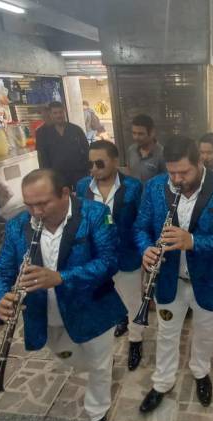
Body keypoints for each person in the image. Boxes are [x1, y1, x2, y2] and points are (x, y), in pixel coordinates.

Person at [0, 169, 125, 421]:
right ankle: (102, 366)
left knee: (98, 362)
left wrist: (61, 277)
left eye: (42, 203)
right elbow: (1, 271)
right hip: (45, 313)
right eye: (29, 205)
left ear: (65, 193)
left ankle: (97, 412)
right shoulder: (17, 226)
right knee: (71, 359)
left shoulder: (96, 214)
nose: (35, 212)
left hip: (92, 308)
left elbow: (109, 262)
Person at [134, 136, 213, 413]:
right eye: (171, 172)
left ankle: (200, 371)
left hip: (211, 279)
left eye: (184, 172)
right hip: (169, 279)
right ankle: (162, 382)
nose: (176, 179)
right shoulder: (155, 187)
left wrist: (193, 241)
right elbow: (140, 227)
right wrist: (146, 249)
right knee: (167, 333)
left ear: (200, 161)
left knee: (205, 332)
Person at [75, 140, 145, 370]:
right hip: (97, 260)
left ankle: (135, 340)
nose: (93, 168)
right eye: (90, 164)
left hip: (127, 256)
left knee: (134, 301)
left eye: (99, 163)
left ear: (115, 161)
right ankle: (120, 320)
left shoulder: (134, 187)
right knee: (107, 297)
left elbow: (141, 222)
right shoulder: (83, 186)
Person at [35, 101, 90, 188]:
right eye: (55, 113)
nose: (58, 115)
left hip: (79, 173)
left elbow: (87, 150)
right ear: (50, 114)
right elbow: (42, 157)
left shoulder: (76, 129)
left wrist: (89, 170)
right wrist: (46, 176)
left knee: (82, 197)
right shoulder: (42, 133)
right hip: (57, 176)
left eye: (60, 112)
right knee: (64, 199)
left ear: (64, 112)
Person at [126, 114, 165, 183]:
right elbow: (129, 173)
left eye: (140, 134)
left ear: (152, 133)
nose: (136, 137)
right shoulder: (131, 150)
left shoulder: (162, 154)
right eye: (134, 133)